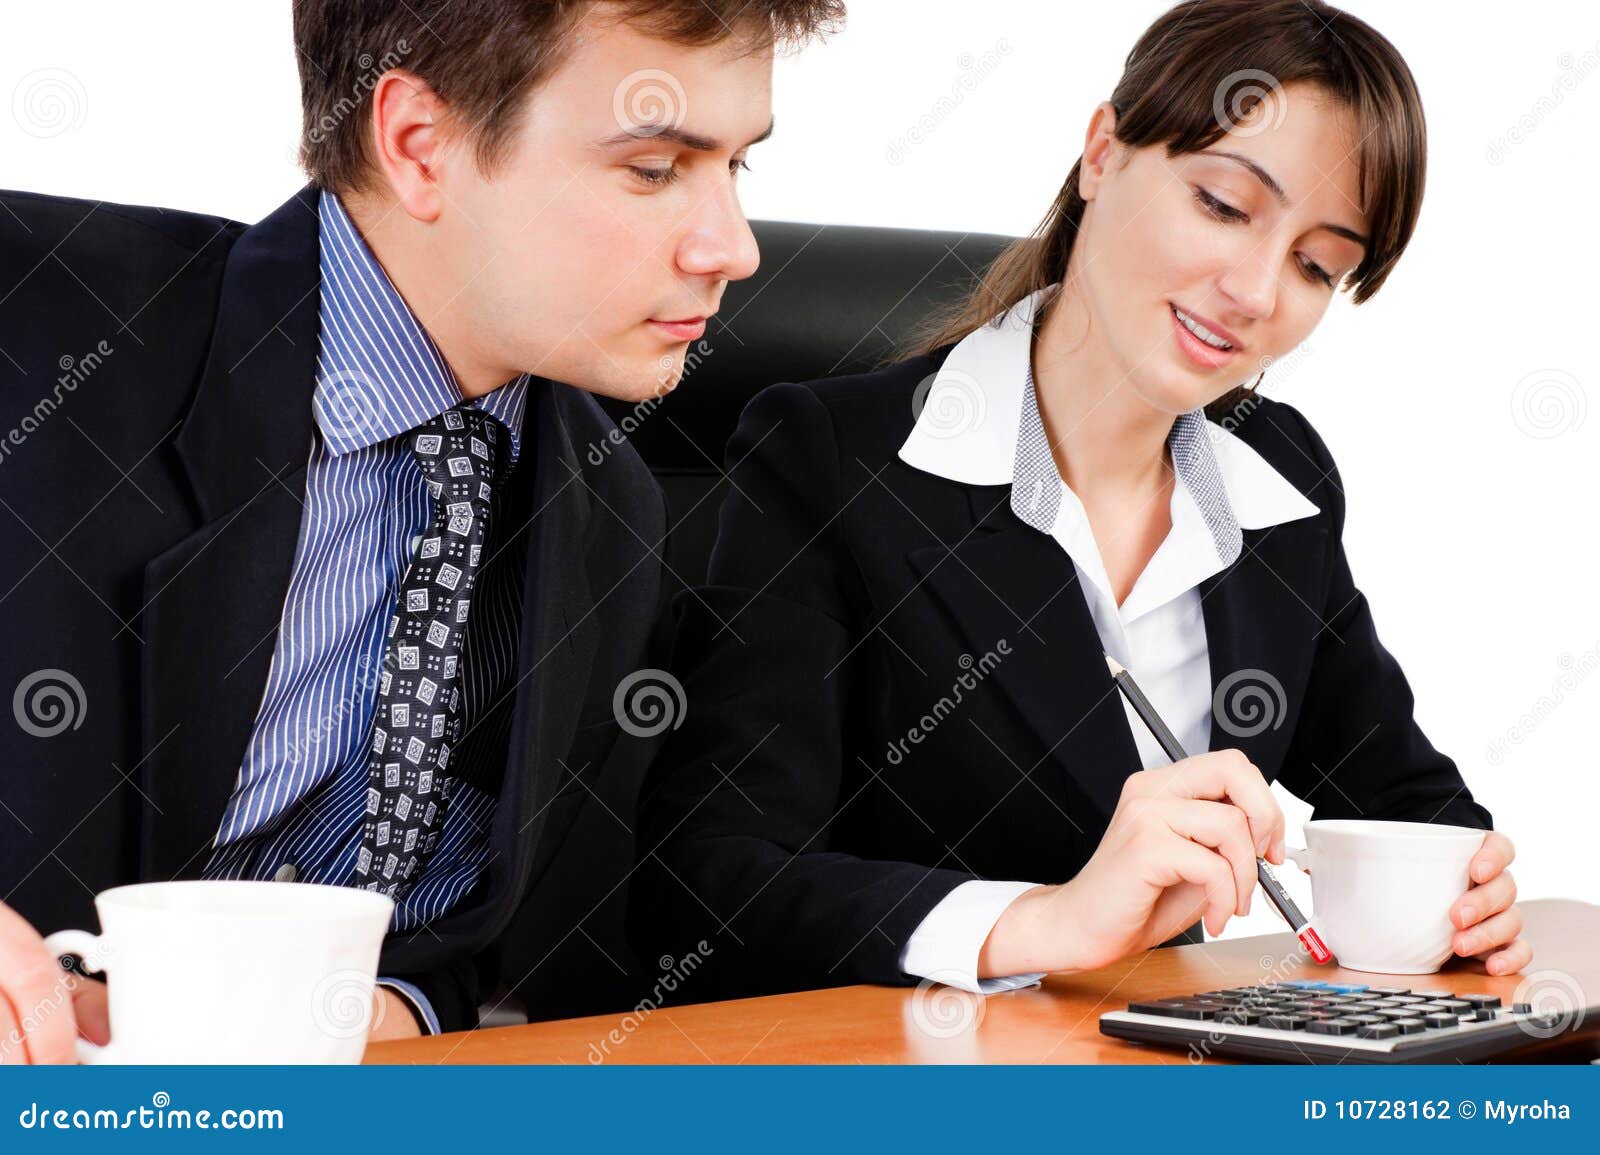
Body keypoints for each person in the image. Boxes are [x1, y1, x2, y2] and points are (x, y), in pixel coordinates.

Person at [630, 0, 1530, 1001]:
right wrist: (1049, 922)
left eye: (1317, 264)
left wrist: (1464, 888)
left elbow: (1404, 795)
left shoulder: (1276, 483)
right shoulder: (832, 460)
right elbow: (707, 888)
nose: (1255, 290)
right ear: (1101, 154)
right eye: (1225, 207)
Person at [0, 0, 843, 1062]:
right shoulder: (37, 313)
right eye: (652, 168)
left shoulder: (606, 516)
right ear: (419, 143)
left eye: (737, 168)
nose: (734, 248)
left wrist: (391, 1008)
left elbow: (446, 932)